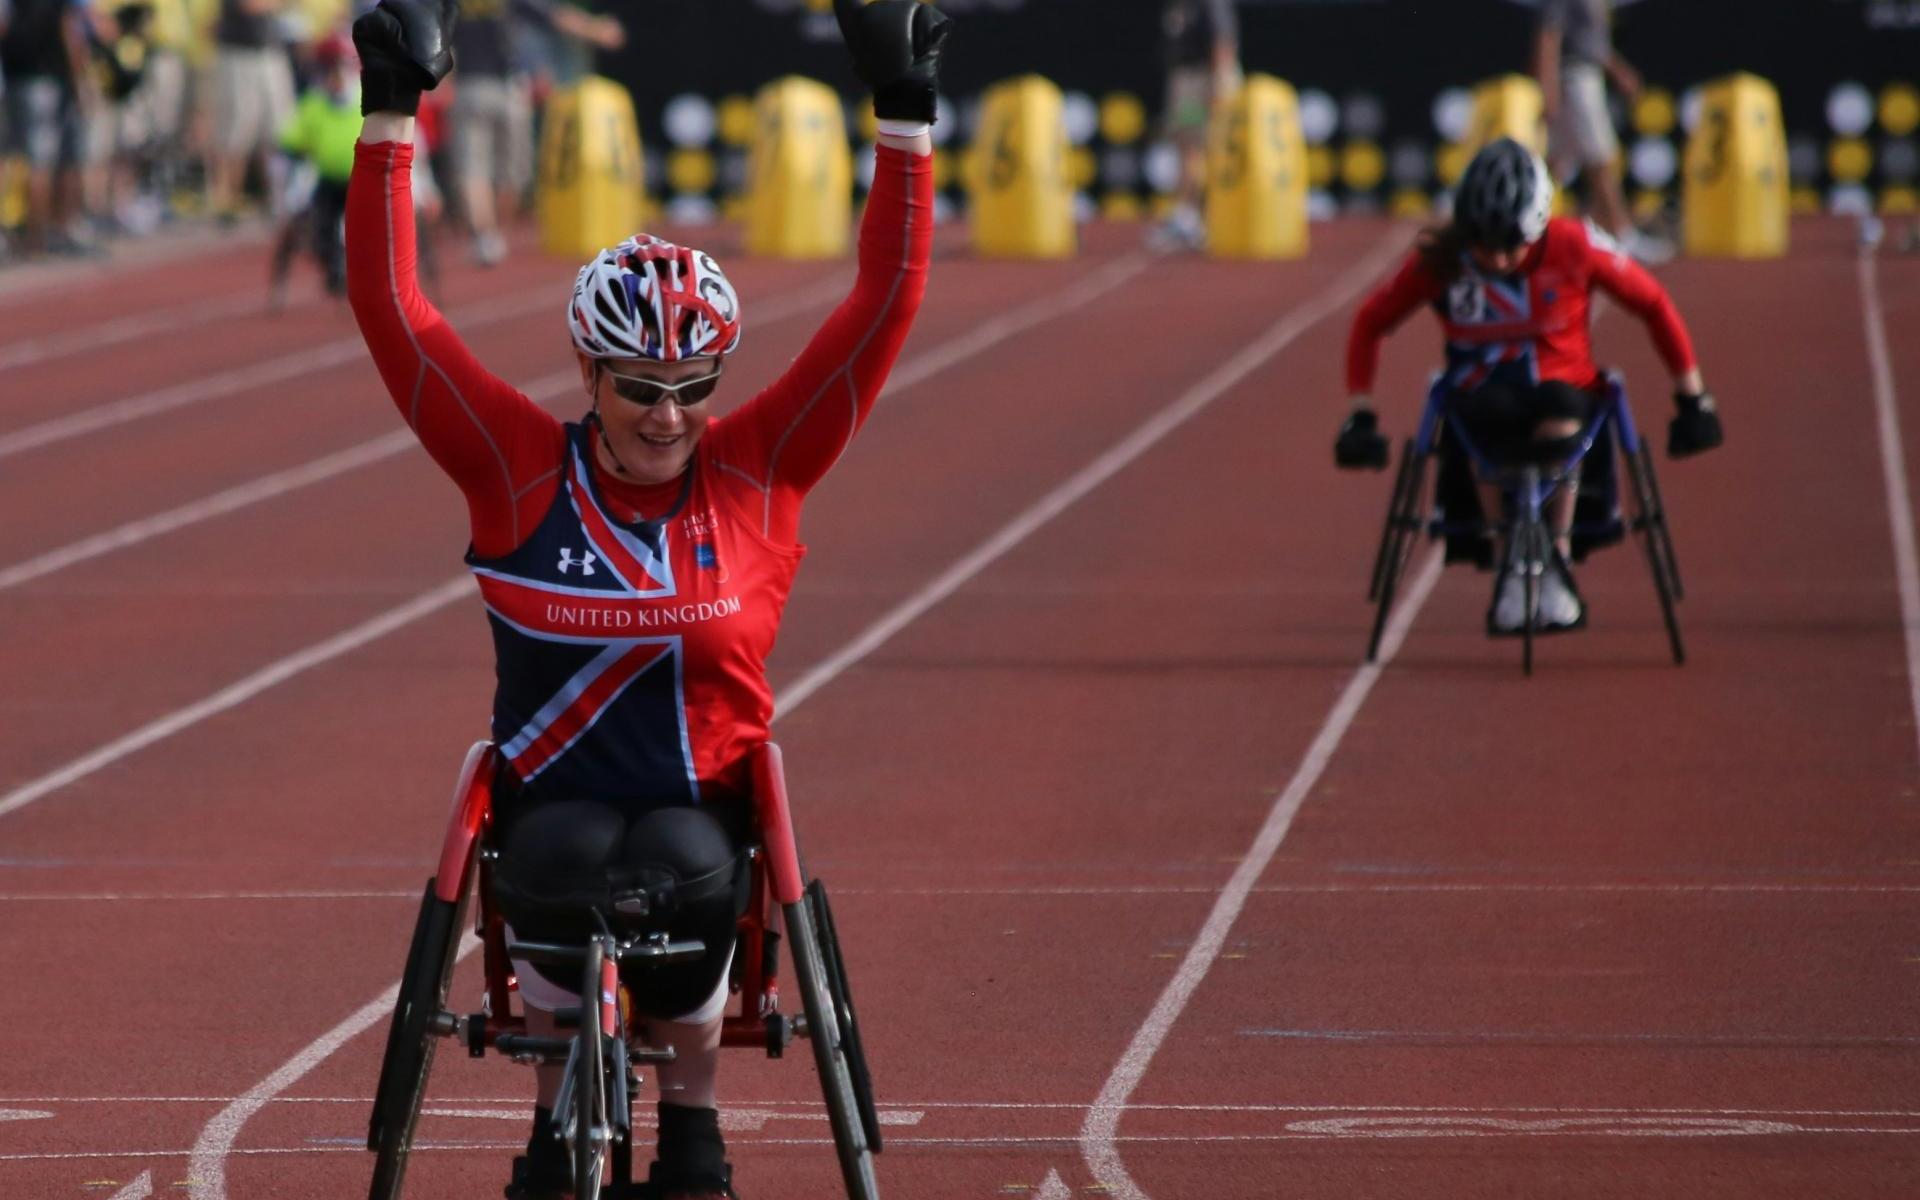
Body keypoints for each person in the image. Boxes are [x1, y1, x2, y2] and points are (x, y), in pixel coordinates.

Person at [345, 0, 949, 1195]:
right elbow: (395, 314)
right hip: (548, 815)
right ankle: (548, 1126)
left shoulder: (761, 468)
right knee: (567, 861)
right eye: (639, 389)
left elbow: (881, 308)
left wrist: (906, 121)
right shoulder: (519, 469)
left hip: (704, 821)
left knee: (678, 869)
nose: (669, 415)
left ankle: (694, 1125)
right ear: (588, 373)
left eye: (693, 386)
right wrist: (386, 109)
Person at [1334, 138, 1722, 634]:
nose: (1495, 259)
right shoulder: (1443, 260)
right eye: (1482, 244)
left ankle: (1555, 553)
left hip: (1565, 393)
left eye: (1509, 245)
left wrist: (1693, 397)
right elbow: (1371, 320)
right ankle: (1506, 561)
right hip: (1481, 400)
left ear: (1536, 226)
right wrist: (1360, 411)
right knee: (1483, 415)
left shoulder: (1576, 244)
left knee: (1559, 413)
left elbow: (1653, 304)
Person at [1531, 0, 1669, 263]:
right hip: (1572, 79)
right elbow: (1548, 36)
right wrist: (1547, 88)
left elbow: (1592, 42)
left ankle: (1520, 222)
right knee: (1601, 160)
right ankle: (1622, 232)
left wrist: (1618, 70)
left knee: (1557, 165)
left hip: (1585, 76)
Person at [1, 0, 99, 254]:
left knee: (24, 158)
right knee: (44, 163)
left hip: (17, 77)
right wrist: (79, 79)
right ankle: (40, 238)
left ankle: (34, 235)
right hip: (48, 78)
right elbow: (70, 29)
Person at [267, 30, 356, 299]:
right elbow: (289, 141)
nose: (335, 76)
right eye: (330, 68)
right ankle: (333, 266)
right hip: (325, 179)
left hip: (361, 180)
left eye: (340, 67)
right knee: (313, 224)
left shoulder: (367, 99)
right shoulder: (313, 104)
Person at [1152, 0, 1238, 250]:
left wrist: (1221, 82)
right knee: (1186, 147)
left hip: (1197, 82)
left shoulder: (1210, 3)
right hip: (1187, 80)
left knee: (1191, 147)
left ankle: (1189, 217)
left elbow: (1223, 41)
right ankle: (1189, 215)